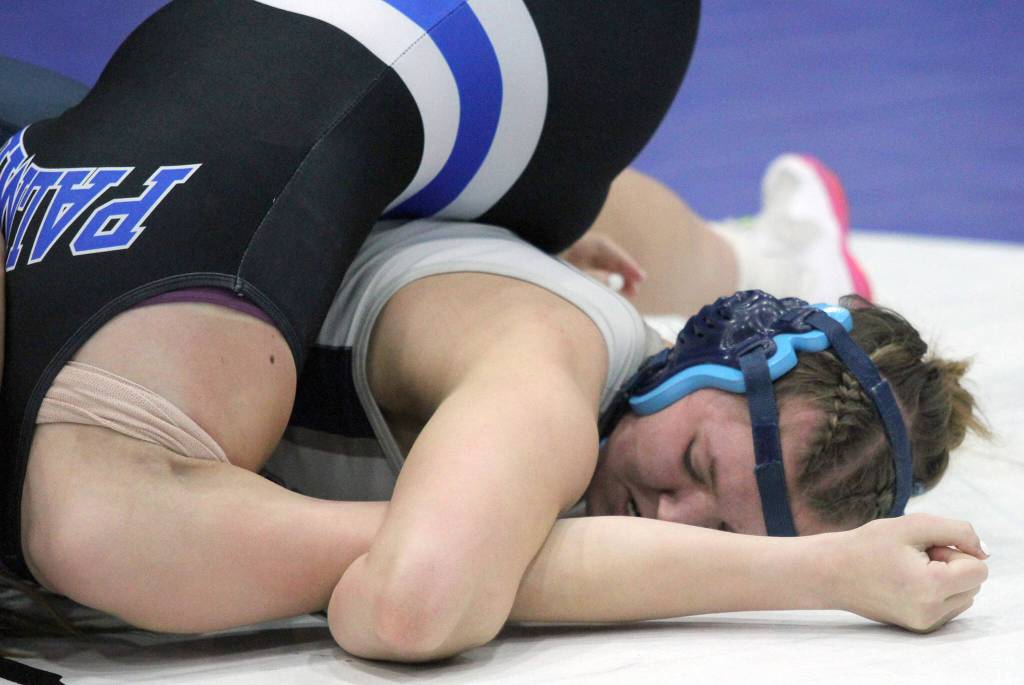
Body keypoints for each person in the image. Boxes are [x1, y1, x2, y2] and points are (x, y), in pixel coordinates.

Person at [0, 0, 989, 664]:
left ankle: (755, 254)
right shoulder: (542, 364)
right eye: (695, 464)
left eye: (725, 534)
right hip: (549, 58)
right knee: (105, 534)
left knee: (570, 222)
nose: (672, 520)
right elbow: (409, 603)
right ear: (690, 363)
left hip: (261, 111)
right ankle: (756, 256)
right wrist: (811, 573)